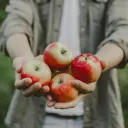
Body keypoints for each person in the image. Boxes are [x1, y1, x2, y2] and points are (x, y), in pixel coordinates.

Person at [0, 0, 128, 128]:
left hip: (98, 116)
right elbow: (15, 22)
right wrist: (24, 56)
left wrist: (100, 63)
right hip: (33, 115)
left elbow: (123, 29)